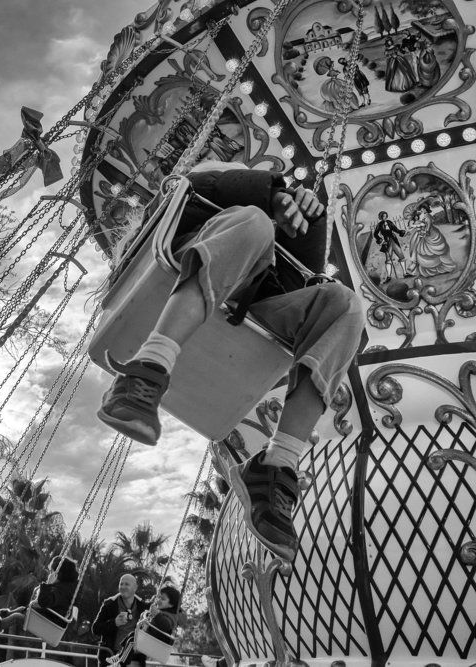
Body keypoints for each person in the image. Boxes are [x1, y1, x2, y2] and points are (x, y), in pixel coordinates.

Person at [98, 162, 366, 563]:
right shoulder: (211, 196)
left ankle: (278, 464)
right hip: (188, 262)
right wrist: (272, 195)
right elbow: (191, 185)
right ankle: (149, 367)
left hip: (250, 303)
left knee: (346, 305)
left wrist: (308, 219)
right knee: (253, 223)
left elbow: (303, 275)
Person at [0, 555, 78, 633]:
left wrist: (47, 585)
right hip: (45, 618)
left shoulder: (61, 591)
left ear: (58, 574)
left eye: (51, 572)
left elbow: (43, 602)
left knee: (16, 617)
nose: (50, 574)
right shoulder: (63, 587)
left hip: (48, 623)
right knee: (22, 609)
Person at [91, 574, 145, 666]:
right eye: (121, 584)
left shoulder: (143, 606)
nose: (123, 587)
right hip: (111, 656)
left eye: (127, 584)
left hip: (134, 659)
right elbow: (95, 629)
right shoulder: (109, 604)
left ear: (135, 588)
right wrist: (114, 623)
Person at [133, 585, 181, 665]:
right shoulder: (161, 612)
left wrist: (157, 614)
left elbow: (166, 625)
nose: (158, 600)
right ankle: (121, 656)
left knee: (132, 641)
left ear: (171, 604)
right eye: (158, 597)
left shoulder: (171, 616)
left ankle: (122, 657)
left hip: (156, 646)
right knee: (132, 638)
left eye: (162, 599)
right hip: (148, 644)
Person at [372, 210, 408, 283]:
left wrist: (401, 232)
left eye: (385, 216)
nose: (384, 218)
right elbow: (375, 234)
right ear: (380, 217)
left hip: (394, 240)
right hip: (386, 242)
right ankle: (389, 276)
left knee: (401, 256)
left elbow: (395, 229)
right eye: (383, 216)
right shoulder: (379, 225)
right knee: (388, 259)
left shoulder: (389, 222)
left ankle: (405, 273)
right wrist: (381, 240)